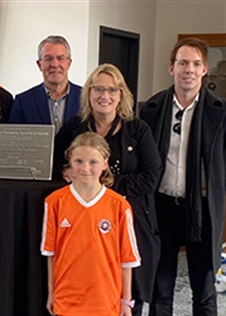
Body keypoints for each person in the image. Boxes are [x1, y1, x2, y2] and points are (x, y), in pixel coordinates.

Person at [55, 63, 162, 315]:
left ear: (121, 95)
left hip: (130, 221)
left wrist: (105, 185)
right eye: (99, 89)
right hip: (83, 226)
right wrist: (64, 171)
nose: (105, 96)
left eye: (112, 90)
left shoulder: (138, 129)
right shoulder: (73, 128)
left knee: (128, 294)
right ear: (89, 94)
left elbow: (151, 176)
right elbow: (53, 162)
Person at [140, 37, 226, 315]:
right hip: (162, 207)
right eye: (183, 63)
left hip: (201, 209)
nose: (189, 69)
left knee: (204, 290)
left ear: (204, 70)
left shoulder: (220, 113)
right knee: (160, 287)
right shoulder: (151, 110)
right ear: (171, 68)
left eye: (196, 63)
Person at [41, 132, 141, 316]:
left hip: (105, 299)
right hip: (67, 298)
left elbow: (127, 259)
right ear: (69, 160)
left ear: (105, 163)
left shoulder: (119, 205)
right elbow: (51, 254)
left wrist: (126, 300)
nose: (85, 168)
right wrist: (51, 292)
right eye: (78, 161)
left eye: (93, 162)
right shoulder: (54, 202)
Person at [9, 35, 81, 134]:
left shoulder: (86, 98)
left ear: (69, 63)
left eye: (60, 58)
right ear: (39, 64)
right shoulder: (23, 102)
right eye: (48, 59)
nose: (55, 64)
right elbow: (15, 143)